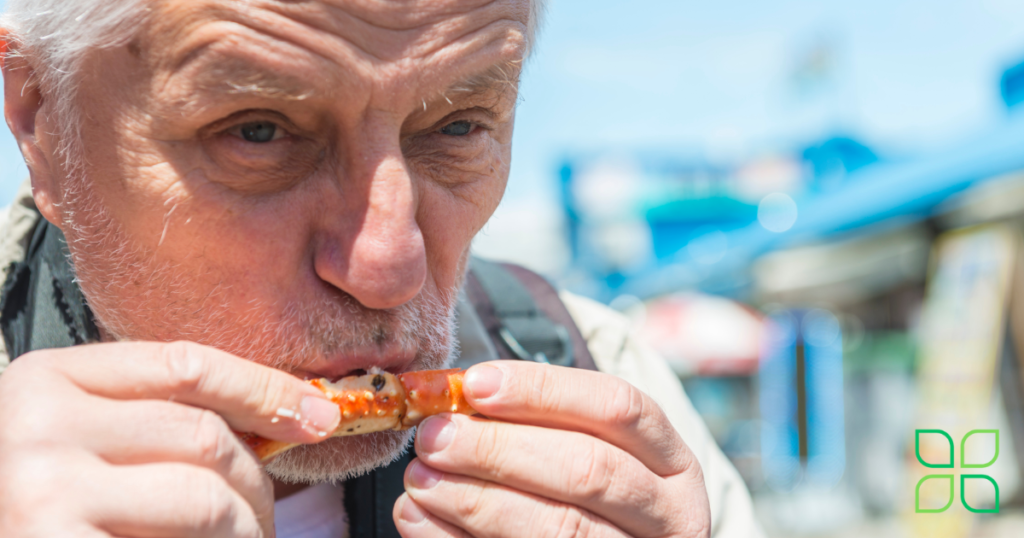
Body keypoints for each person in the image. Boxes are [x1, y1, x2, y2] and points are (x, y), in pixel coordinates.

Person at [0, 0, 763, 536]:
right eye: (259, 132)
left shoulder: (603, 379)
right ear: (42, 118)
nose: (389, 267)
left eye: (459, 126)